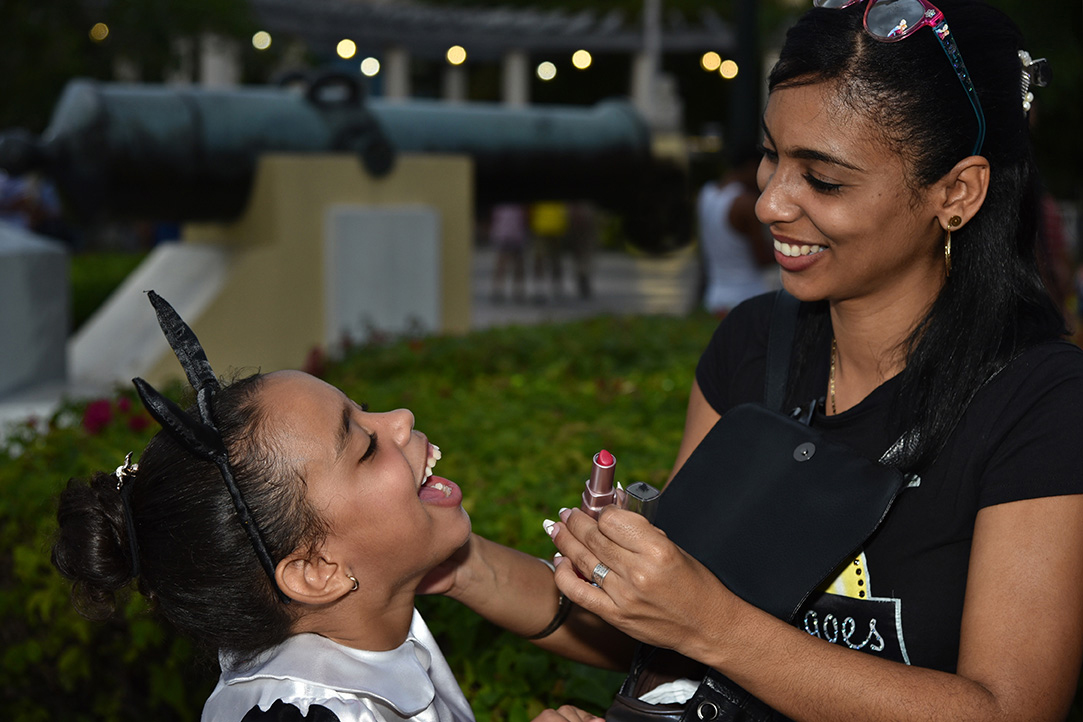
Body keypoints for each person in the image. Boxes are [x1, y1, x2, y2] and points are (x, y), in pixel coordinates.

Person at [424, 1, 1083, 720]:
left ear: (955, 193)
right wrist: (452, 559)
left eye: (823, 180)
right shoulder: (753, 347)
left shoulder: (1040, 402)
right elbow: (652, 632)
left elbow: (1008, 708)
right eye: (771, 156)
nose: (769, 203)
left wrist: (711, 625)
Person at [51, 292, 589, 722]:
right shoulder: (312, 712)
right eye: (366, 447)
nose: (400, 417)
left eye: (366, 410)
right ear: (317, 571)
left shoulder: (354, 636)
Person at [697, 146, 774, 316]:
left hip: (714, 296)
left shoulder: (706, 194)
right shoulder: (745, 203)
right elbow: (761, 257)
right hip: (746, 296)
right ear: (753, 166)